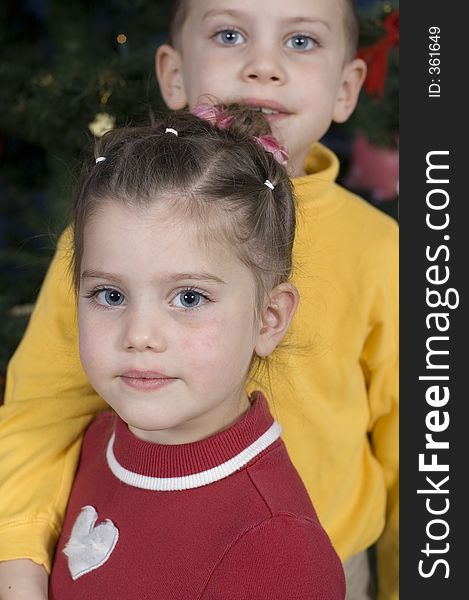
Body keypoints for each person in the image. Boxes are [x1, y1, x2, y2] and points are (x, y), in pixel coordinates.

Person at [0, 1, 398, 599]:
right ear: (175, 75)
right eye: (230, 33)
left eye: (301, 42)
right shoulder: (104, 232)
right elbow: (43, 411)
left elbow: (424, 445)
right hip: (122, 549)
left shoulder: (382, 251)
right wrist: (20, 560)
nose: (263, 66)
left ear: (346, 89)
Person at [44, 105, 345, 599]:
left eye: (189, 297)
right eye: (110, 295)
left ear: (268, 319)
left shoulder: (277, 553)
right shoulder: (96, 437)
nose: (139, 335)